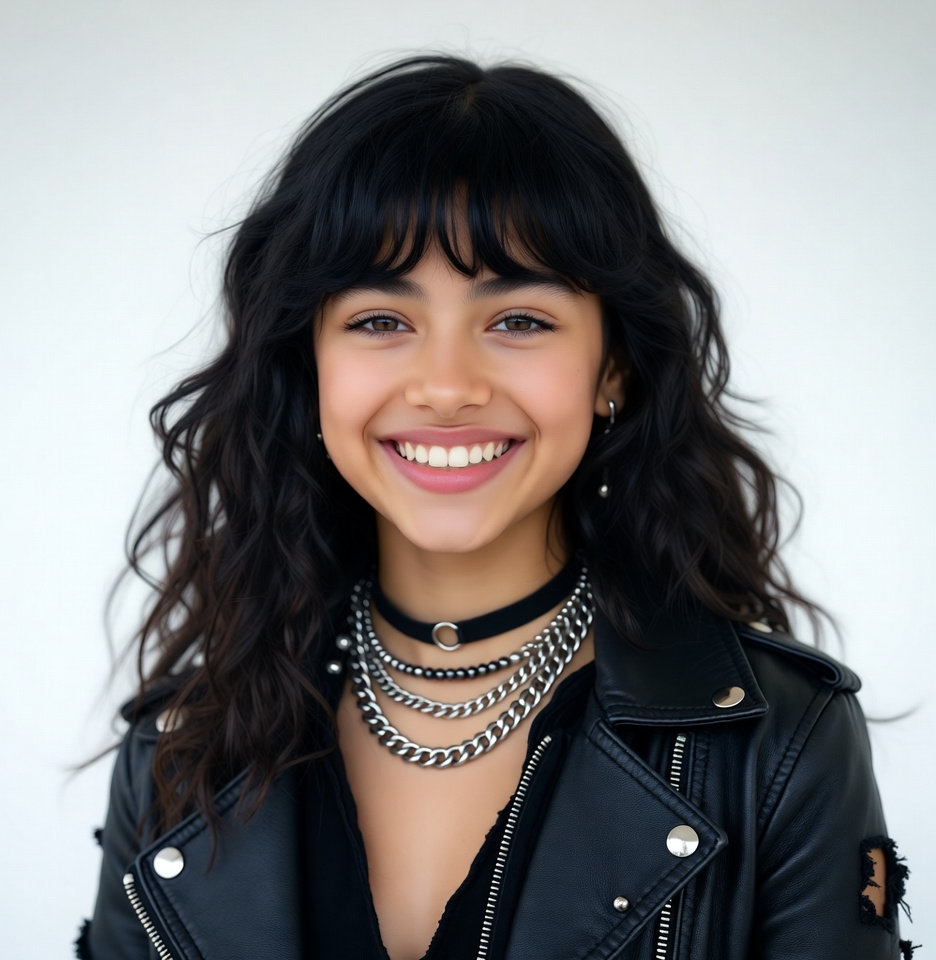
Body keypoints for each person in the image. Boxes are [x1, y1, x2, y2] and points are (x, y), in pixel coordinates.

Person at [78, 55, 914, 960]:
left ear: (616, 368)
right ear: (307, 364)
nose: (445, 387)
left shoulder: (780, 744)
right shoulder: (181, 752)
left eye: (518, 320)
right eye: (379, 321)